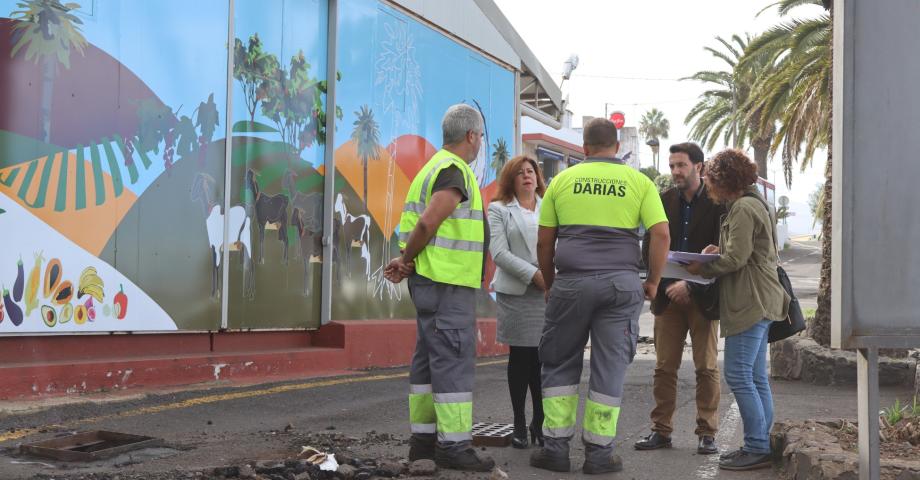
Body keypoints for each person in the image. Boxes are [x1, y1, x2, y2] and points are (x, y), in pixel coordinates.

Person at [529, 118, 670, 474]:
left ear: (585, 148)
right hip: (620, 286)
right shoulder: (639, 182)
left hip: (571, 284)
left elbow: (544, 241)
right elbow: (661, 235)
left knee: (559, 363)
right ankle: (599, 455)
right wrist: (652, 282)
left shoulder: (561, 181)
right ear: (617, 146)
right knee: (609, 368)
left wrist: (550, 283)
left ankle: (556, 451)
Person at [384, 103, 495, 472]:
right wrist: (405, 258)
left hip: (431, 281)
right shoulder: (454, 171)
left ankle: (424, 443)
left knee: (428, 363)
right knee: (453, 361)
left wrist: (407, 260)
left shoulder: (429, 169)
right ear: (471, 136)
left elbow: (420, 226)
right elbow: (428, 223)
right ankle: (454, 445)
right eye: (479, 137)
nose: (479, 143)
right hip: (447, 283)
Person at [684, 149, 790, 471]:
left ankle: (756, 446)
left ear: (722, 180)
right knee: (756, 377)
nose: (708, 186)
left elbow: (735, 260)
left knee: (739, 374)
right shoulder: (756, 203)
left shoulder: (743, 207)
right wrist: (719, 250)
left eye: (710, 180)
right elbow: (742, 251)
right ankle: (760, 443)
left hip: (750, 301)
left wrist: (697, 268)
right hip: (763, 300)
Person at [635, 143, 726, 455]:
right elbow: (650, 244)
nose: (675, 171)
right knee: (663, 368)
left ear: (698, 167)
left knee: (706, 367)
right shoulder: (663, 200)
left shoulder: (718, 204)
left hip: (703, 298)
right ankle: (661, 430)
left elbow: (724, 252)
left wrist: (692, 286)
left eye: (681, 165)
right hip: (667, 298)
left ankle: (707, 433)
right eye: (672, 165)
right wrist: (662, 282)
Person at [487, 155, 548, 449]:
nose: (527, 176)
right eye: (520, 172)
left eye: (531, 171)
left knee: (542, 358)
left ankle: (540, 420)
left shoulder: (550, 206)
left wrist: (549, 276)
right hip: (517, 292)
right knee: (521, 358)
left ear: (537, 176)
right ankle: (519, 423)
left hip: (548, 292)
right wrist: (534, 274)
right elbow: (499, 253)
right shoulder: (499, 209)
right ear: (511, 179)